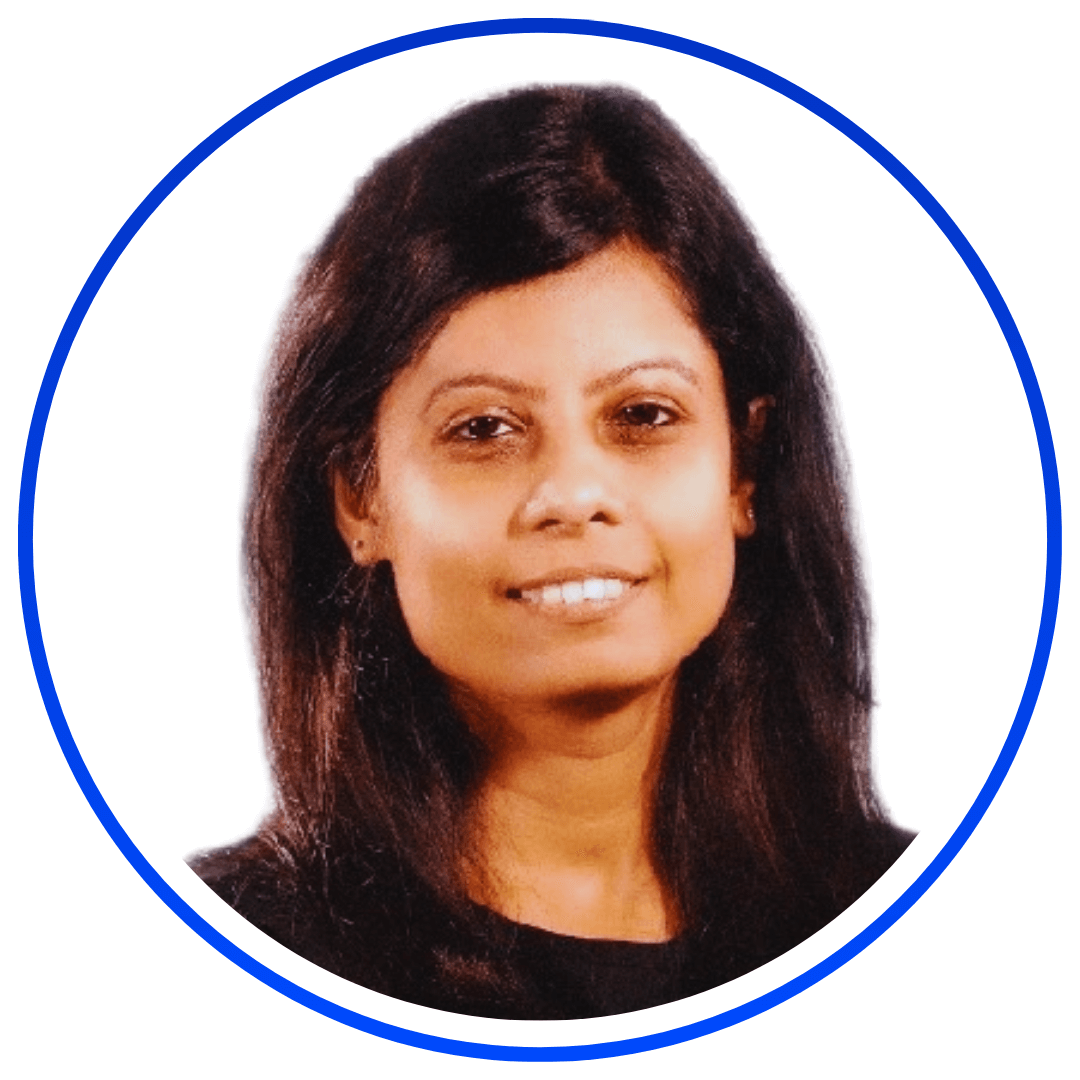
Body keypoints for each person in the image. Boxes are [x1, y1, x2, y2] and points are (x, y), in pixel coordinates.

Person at [191, 84, 913, 1019]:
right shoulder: (214, 955)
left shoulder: (917, 919)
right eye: (484, 429)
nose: (572, 494)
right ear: (358, 500)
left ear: (745, 469)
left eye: (643, 415)